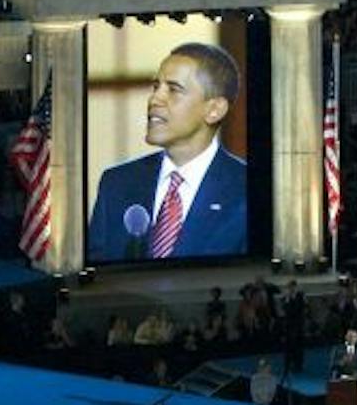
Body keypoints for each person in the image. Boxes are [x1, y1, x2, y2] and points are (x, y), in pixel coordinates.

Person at [87, 42, 249, 260]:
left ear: (214, 109)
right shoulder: (117, 183)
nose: (154, 99)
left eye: (173, 90)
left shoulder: (246, 189)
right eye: (156, 87)